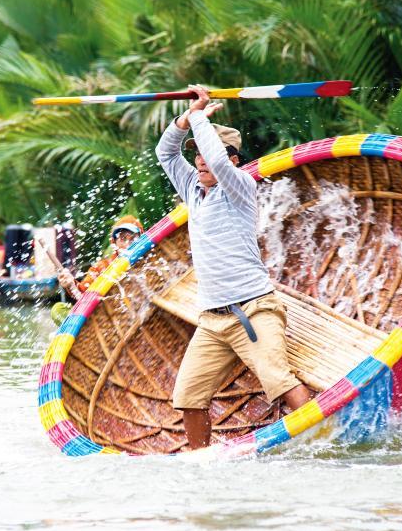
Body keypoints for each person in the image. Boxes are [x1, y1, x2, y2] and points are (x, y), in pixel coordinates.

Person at [155, 84, 313, 449]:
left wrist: (199, 117)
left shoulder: (239, 186)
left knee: (279, 379)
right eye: (197, 156)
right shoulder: (193, 189)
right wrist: (185, 120)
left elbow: (219, 162)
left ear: (234, 160)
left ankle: (321, 444)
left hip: (254, 309)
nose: (200, 162)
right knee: (188, 396)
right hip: (213, 318)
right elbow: (166, 153)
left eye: (208, 155)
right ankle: (202, 462)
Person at [51, 216, 144, 324]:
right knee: (58, 309)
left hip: (137, 316)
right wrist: (71, 283)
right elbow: (83, 292)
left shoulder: (150, 262)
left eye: (133, 239)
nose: (128, 245)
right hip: (107, 320)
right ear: (114, 242)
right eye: (123, 239)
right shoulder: (102, 267)